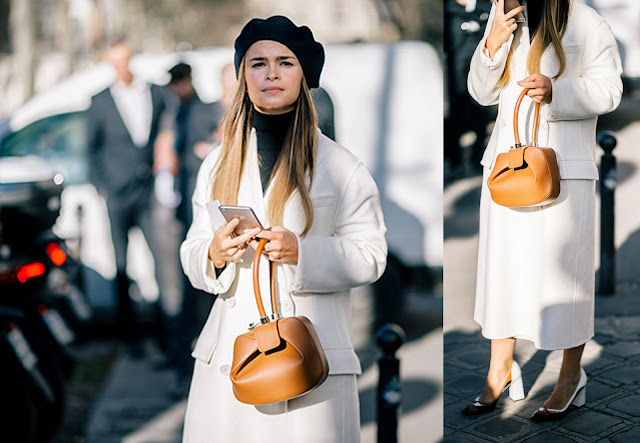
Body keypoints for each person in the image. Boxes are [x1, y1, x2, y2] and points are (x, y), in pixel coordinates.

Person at [180, 15, 387, 442]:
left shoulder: (342, 167)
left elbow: (371, 256)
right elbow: (192, 250)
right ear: (242, 77)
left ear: (304, 76)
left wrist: (302, 251)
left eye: (285, 62)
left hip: (311, 361)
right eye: (257, 63)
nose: (271, 73)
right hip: (231, 361)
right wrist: (214, 253)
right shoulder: (217, 165)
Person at [463, 0, 622, 421]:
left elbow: (611, 90)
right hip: (507, 169)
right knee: (504, 272)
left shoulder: (587, 21)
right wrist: (493, 43)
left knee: (563, 278)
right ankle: (499, 370)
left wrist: (559, 91)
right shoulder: (506, 20)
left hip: (564, 170)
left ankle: (571, 377)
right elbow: (481, 94)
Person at [87, 39, 166, 355]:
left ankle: (163, 330)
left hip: (148, 191)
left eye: (125, 60)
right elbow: (91, 149)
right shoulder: (100, 101)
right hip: (117, 195)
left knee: (161, 261)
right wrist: (103, 187)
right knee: (120, 265)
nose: (121, 66)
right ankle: (129, 337)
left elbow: (164, 131)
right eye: (114, 61)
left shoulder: (154, 92)